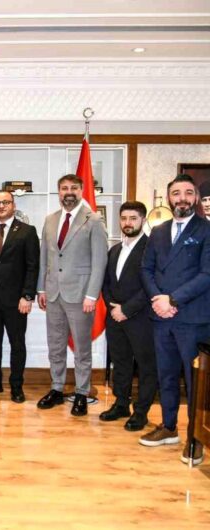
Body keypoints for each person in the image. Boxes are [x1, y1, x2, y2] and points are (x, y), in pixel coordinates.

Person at [140, 174, 210, 465]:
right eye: (176, 193)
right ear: (169, 198)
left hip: (192, 318)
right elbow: (146, 269)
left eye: (188, 192)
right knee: (166, 375)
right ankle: (169, 427)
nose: (182, 198)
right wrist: (158, 299)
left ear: (195, 198)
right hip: (161, 318)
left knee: (196, 382)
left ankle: (196, 437)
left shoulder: (206, 230)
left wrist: (173, 299)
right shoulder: (158, 231)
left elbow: (207, 274)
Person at [37, 174, 107, 417]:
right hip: (53, 294)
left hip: (80, 295)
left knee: (81, 348)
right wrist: (41, 288)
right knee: (55, 345)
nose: (68, 192)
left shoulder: (94, 220)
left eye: (73, 188)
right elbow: (44, 257)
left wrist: (92, 295)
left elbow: (100, 261)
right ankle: (56, 388)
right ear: (59, 192)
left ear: (81, 190)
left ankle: (81, 393)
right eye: (64, 188)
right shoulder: (50, 220)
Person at [0, 190, 39, 403]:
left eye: (5, 202)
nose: (1, 206)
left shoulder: (27, 231)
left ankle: (16, 386)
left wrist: (27, 296)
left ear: (13, 205)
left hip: (16, 300)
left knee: (17, 344)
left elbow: (32, 266)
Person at [100, 201, 156, 431]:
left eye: (133, 218)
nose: (128, 223)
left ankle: (141, 412)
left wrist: (126, 309)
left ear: (143, 220)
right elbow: (105, 283)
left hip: (141, 318)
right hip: (115, 318)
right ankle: (121, 404)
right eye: (124, 218)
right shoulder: (114, 250)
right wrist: (113, 307)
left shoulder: (152, 248)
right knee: (120, 363)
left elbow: (152, 286)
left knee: (146, 366)